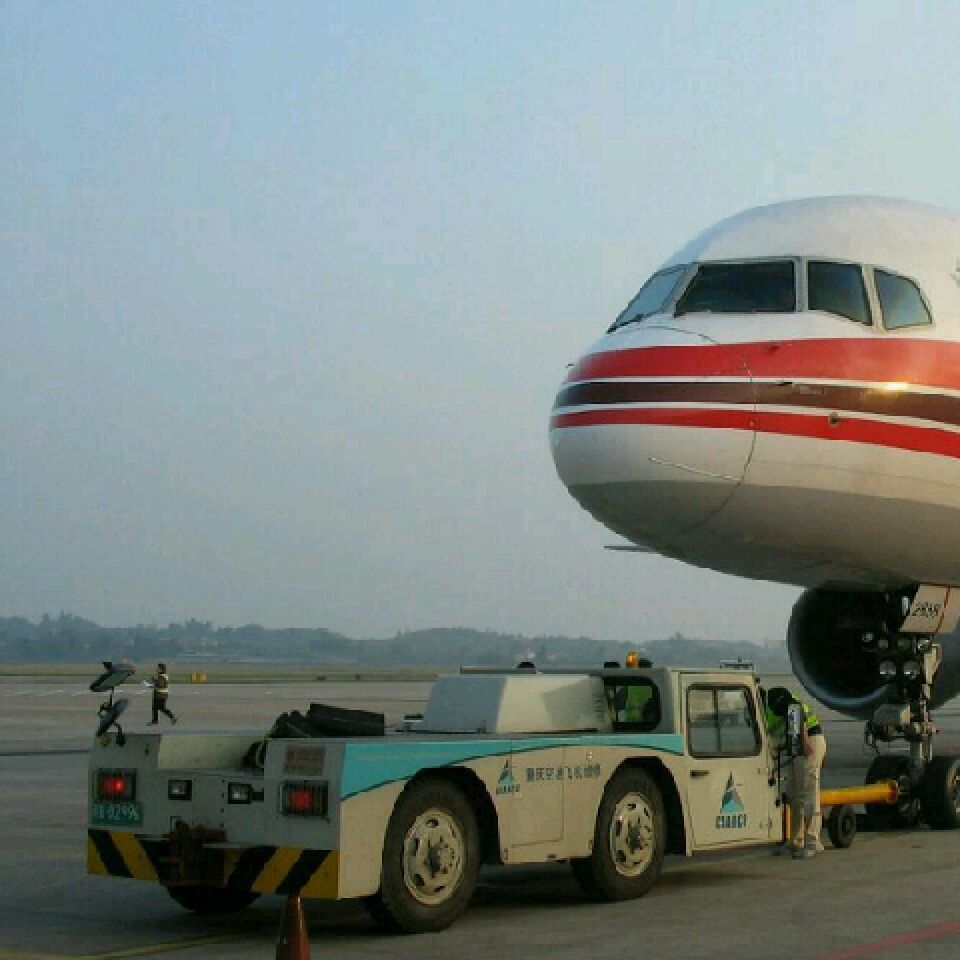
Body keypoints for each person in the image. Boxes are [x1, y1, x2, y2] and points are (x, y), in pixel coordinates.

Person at [765, 686, 826, 859]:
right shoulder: (767, 704)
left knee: (808, 793)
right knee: (793, 794)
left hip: (808, 741)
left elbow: (798, 720)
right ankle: (796, 840)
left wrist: (805, 745)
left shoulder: (788, 704)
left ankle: (813, 841)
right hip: (793, 746)